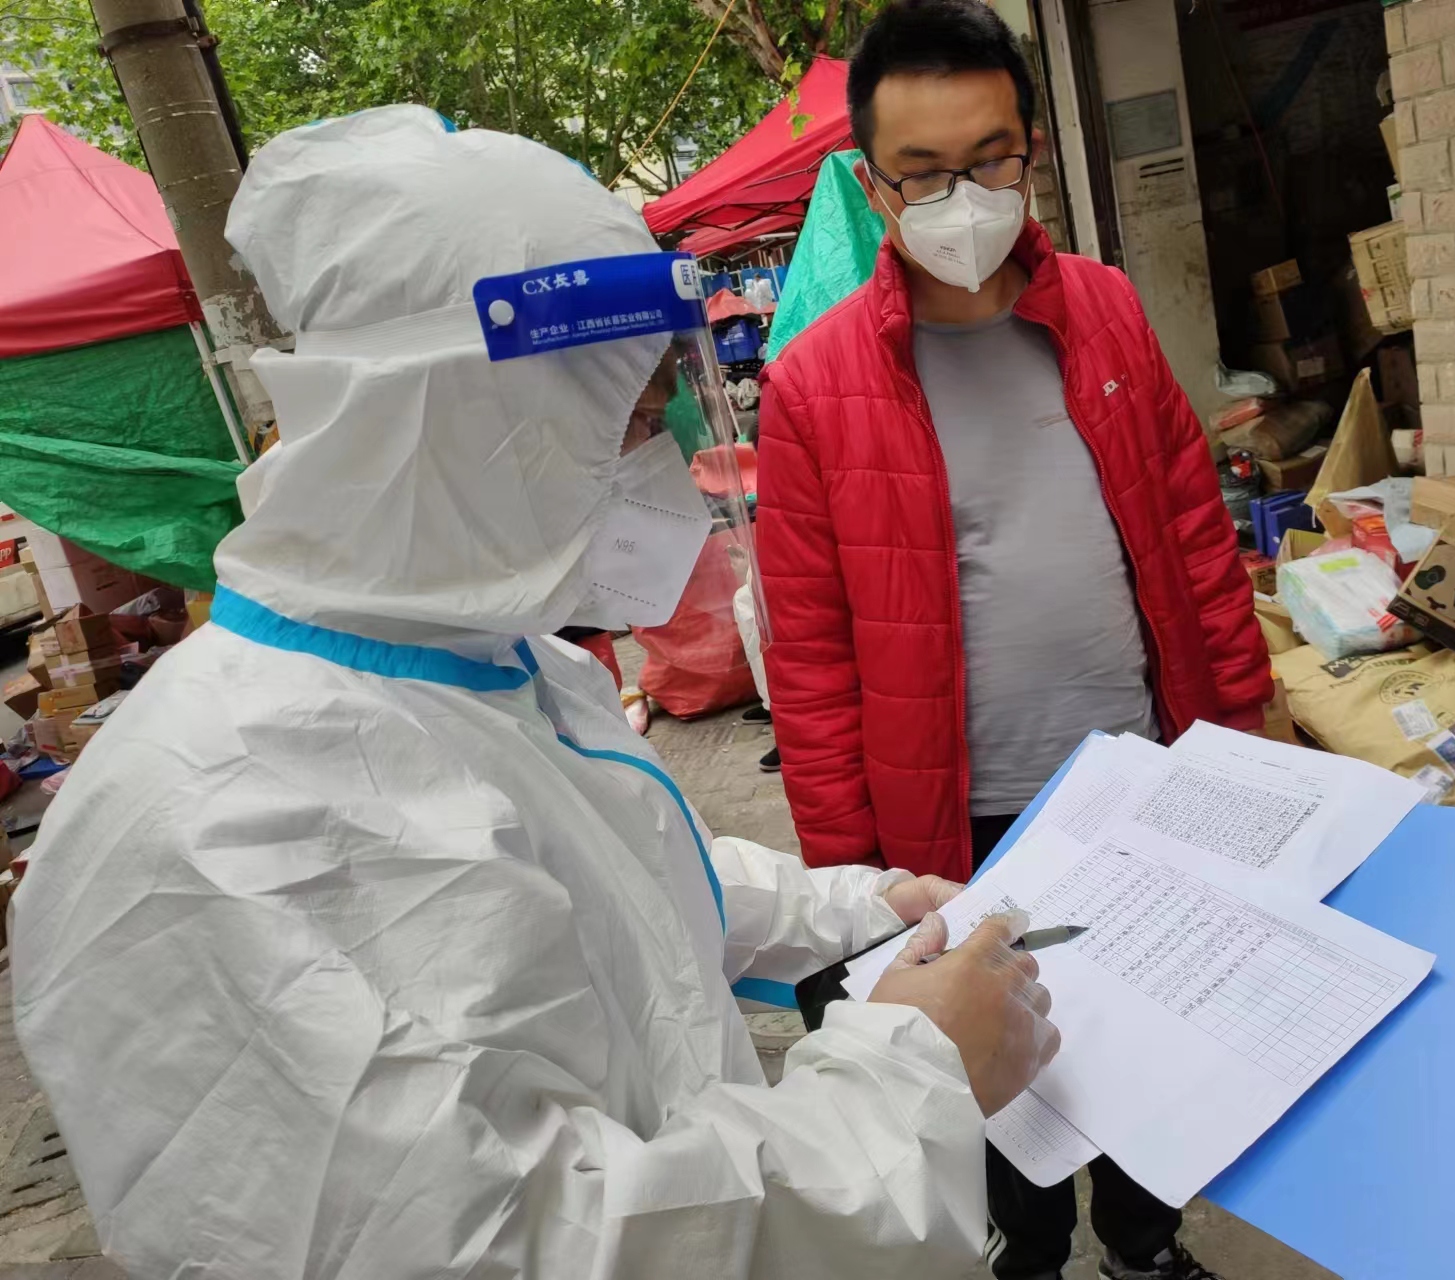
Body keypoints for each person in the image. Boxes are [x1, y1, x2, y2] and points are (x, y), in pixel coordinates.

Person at [10, 106, 1059, 1280]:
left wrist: (855, 907)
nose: (653, 469)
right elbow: (504, 1243)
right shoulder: (215, 821)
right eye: (620, 425)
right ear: (462, 422)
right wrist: (910, 1075)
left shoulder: (499, 666)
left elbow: (619, 884)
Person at [756, 3, 1269, 1277]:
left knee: (1150, 1049)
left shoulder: (1103, 309)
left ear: (1029, 148)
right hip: (957, 824)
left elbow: (1194, 535)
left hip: (1137, 777)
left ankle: (1144, 1247)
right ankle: (1026, 1260)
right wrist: (852, 877)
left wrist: (1239, 737)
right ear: (871, 185)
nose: (963, 198)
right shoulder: (814, 384)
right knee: (1001, 1091)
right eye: (923, 172)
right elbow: (809, 658)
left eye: (988, 158)